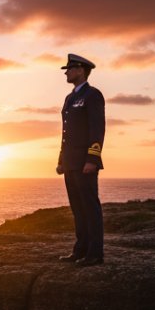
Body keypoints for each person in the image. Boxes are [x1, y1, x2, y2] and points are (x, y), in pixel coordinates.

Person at [55, 53, 105, 266]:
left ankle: (95, 254)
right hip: (70, 162)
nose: (66, 72)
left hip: (85, 162)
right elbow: (66, 132)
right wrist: (61, 160)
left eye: (70, 68)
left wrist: (92, 159)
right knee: (77, 208)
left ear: (81, 70)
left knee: (90, 208)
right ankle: (80, 250)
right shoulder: (70, 98)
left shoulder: (93, 95)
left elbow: (97, 129)